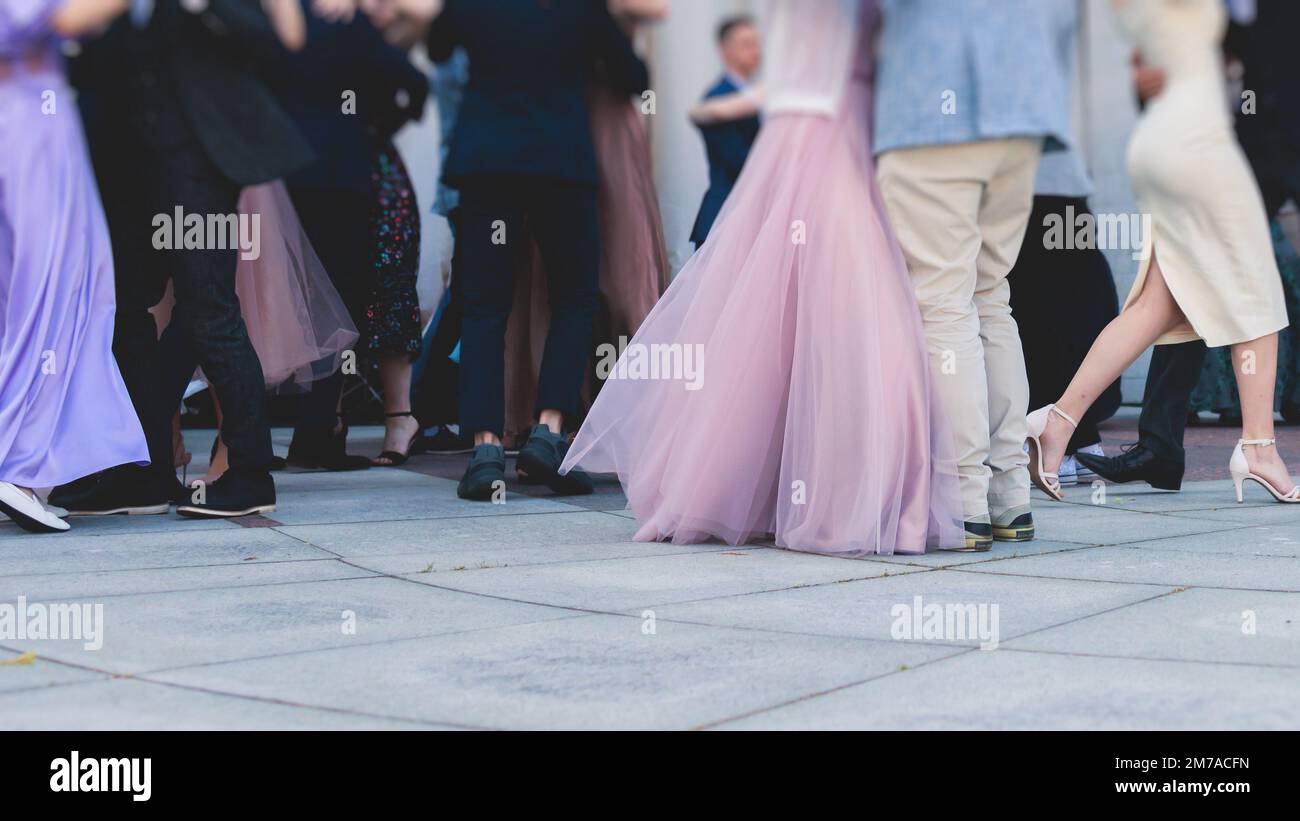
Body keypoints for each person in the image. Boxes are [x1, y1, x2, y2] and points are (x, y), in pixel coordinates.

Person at [560, 0, 964, 556]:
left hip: (838, 126)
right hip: (823, 129)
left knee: (809, 305)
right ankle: (830, 496)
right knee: (836, 304)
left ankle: (810, 490)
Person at [52, 0, 313, 520]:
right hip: (120, 162)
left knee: (209, 305)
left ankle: (249, 472)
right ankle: (143, 470)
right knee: (123, 310)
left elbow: (274, 46)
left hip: (198, 164)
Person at [1029, 0, 1296, 506]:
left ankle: (1056, 421)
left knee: (1159, 305)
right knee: (1256, 291)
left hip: (1164, 142)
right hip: (1197, 143)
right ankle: (1259, 448)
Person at [407, 0, 649, 501]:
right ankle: (548, 431)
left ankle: (485, 451)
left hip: (489, 163)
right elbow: (633, 75)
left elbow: (436, 46)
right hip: (559, 163)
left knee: (484, 306)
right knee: (573, 298)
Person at [873, 0, 1074, 549]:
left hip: (932, 105)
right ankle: (1009, 495)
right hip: (1022, 108)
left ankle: (963, 500)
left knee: (943, 301)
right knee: (990, 296)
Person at [0, 0, 150, 533]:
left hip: (25, 115)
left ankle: (29, 472)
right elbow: (60, 18)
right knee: (54, 290)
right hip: (30, 121)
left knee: (28, 293)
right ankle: (18, 471)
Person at [261, 1, 429, 472]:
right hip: (340, 175)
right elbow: (413, 82)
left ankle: (246, 437)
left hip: (279, 174)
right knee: (338, 300)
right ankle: (315, 434)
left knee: (275, 297)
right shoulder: (348, 23)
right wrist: (376, 127)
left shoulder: (278, 19)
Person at [502, 0, 671, 454]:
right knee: (553, 275)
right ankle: (554, 414)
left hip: (609, 127)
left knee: (622, 272)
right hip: (562, 123)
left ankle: (633, 409)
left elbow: (658, 11)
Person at [688, 14, 761, 249]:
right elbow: (737, 159)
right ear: (724, 49)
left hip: (748, 215)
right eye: (747, 44)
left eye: (757, 44)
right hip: (723, 217)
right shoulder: (717, 97)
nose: (755, 51)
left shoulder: (754, 96)